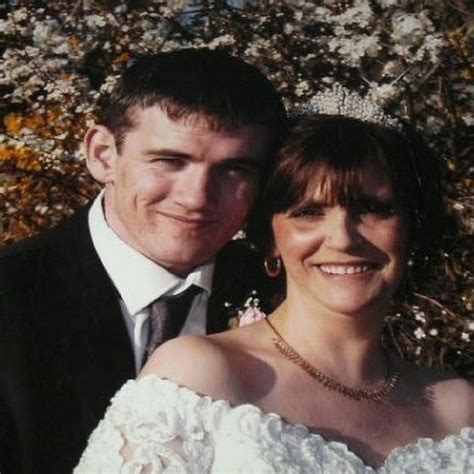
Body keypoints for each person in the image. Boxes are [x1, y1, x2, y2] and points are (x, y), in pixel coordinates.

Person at [75, 86, 473, 472]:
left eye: (372, 209)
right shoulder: (198, 376)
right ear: (270, 238)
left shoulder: (458, 409)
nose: (343, 238)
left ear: (413, 227)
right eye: (308, 213)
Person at [0, 49, 286, 473]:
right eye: (170, 161)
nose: (197, 198)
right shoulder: (9, 298)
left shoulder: (286, 296)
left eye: (234, 169)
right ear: (102, 154)